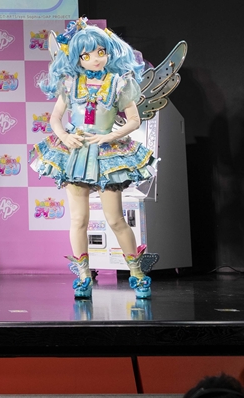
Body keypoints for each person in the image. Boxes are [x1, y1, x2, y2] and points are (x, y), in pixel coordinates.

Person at [30, 18, 156, 299]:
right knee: (78, 219)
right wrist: (64, 137)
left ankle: (136, 274)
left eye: (100, 52)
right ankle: (84, 277)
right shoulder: (70, 83)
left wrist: (110, 136)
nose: (95, 59)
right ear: (77, 58)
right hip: (76, 153)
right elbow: (55, 118)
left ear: (109, 52)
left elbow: (134, 120)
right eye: (86, 55)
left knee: (115, 219)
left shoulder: (119, 83)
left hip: (108, 154)